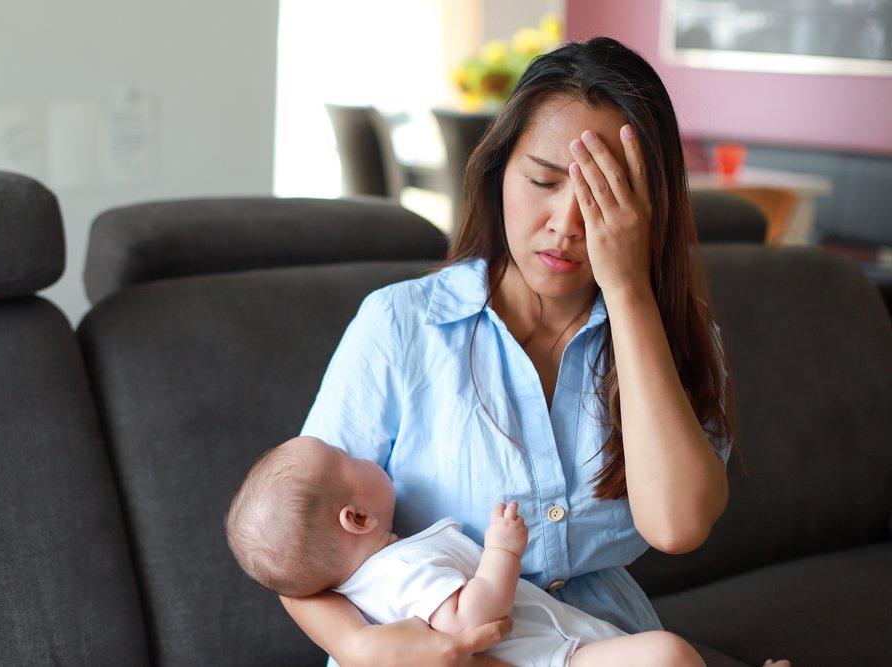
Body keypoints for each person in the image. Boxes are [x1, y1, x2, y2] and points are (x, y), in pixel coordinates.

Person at [281, 36, 786, 667]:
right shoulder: (400, 326)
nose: (568, 223)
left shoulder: (675, 338)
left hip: (596, 646)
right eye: (544, 181)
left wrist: (628, 289)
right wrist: (361, 645)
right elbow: (297, 539)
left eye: (607, 198)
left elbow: (678, 525)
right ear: (499, 171)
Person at [226, 435, 707, 667]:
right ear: (357, 518)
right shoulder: (398, 569)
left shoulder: (372, 584)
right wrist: (502, 552)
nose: (363, 456)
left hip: (555, 653)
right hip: (548, 662)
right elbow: (467, 624)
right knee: (667, 656)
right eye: (349, 460)